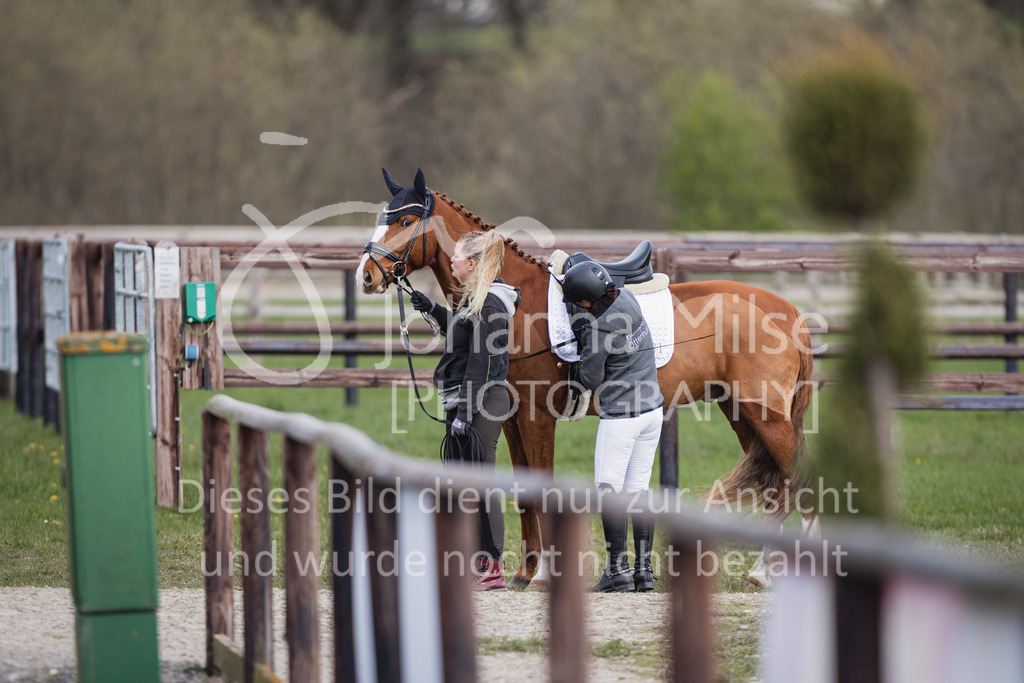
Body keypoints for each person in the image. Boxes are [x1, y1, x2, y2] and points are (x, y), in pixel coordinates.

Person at [409, 230, 519, 591]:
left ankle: (493, 566)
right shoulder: (474, 300)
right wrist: (434, 310)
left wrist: (465, 413)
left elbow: (482, 363)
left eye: (456, 256)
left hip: (482, 401)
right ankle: (476, 561)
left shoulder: (489, 304)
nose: (451, 260)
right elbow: (462, 338)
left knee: (481, 484)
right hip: (469, 401)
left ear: (471, 264)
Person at [561, 261, 664, 592]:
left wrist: (573, 364)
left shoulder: (600, 327)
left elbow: (591, 377)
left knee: (609, 491)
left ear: (587, 301)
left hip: (622, 416)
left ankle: (617, 571)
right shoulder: (628, 299)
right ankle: (643, 571)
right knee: (639, 491)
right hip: (652, 412)